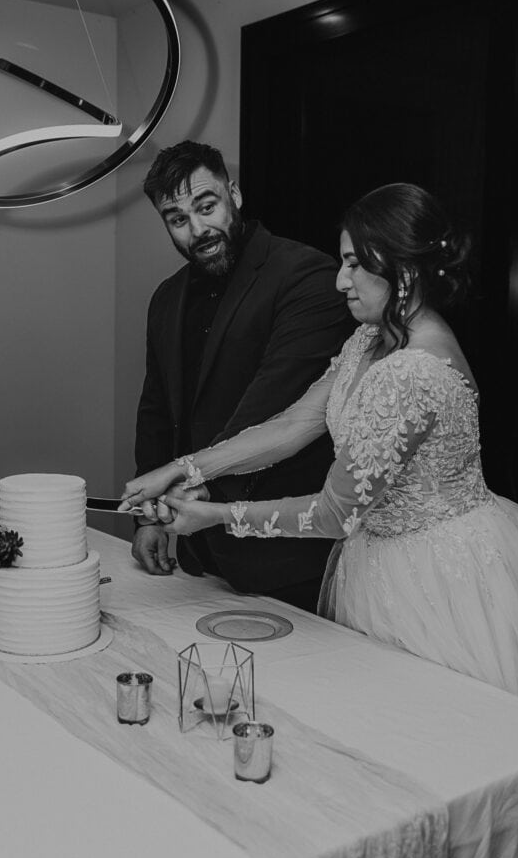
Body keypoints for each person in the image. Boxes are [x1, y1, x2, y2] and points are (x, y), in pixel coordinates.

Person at [122, 182, 518, 720]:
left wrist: (215, 516)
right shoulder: (370, 339)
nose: (340, 280)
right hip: (377, 560)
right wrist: (179, 468)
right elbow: (294, 424)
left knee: (443, 728)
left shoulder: (411, 373)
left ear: (404, 274)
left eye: (352, 265)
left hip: (436, 578)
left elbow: (334, 512)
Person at [128, 140, 353, 612]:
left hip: (284, 558)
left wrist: (191, 489)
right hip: (197, 551)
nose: (198, 229)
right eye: (178, 219)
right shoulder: (166, 300)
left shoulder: (306, 275)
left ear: (235, 193)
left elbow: (274, 404)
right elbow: (155, 413)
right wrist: (148, 519)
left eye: (206, 206)